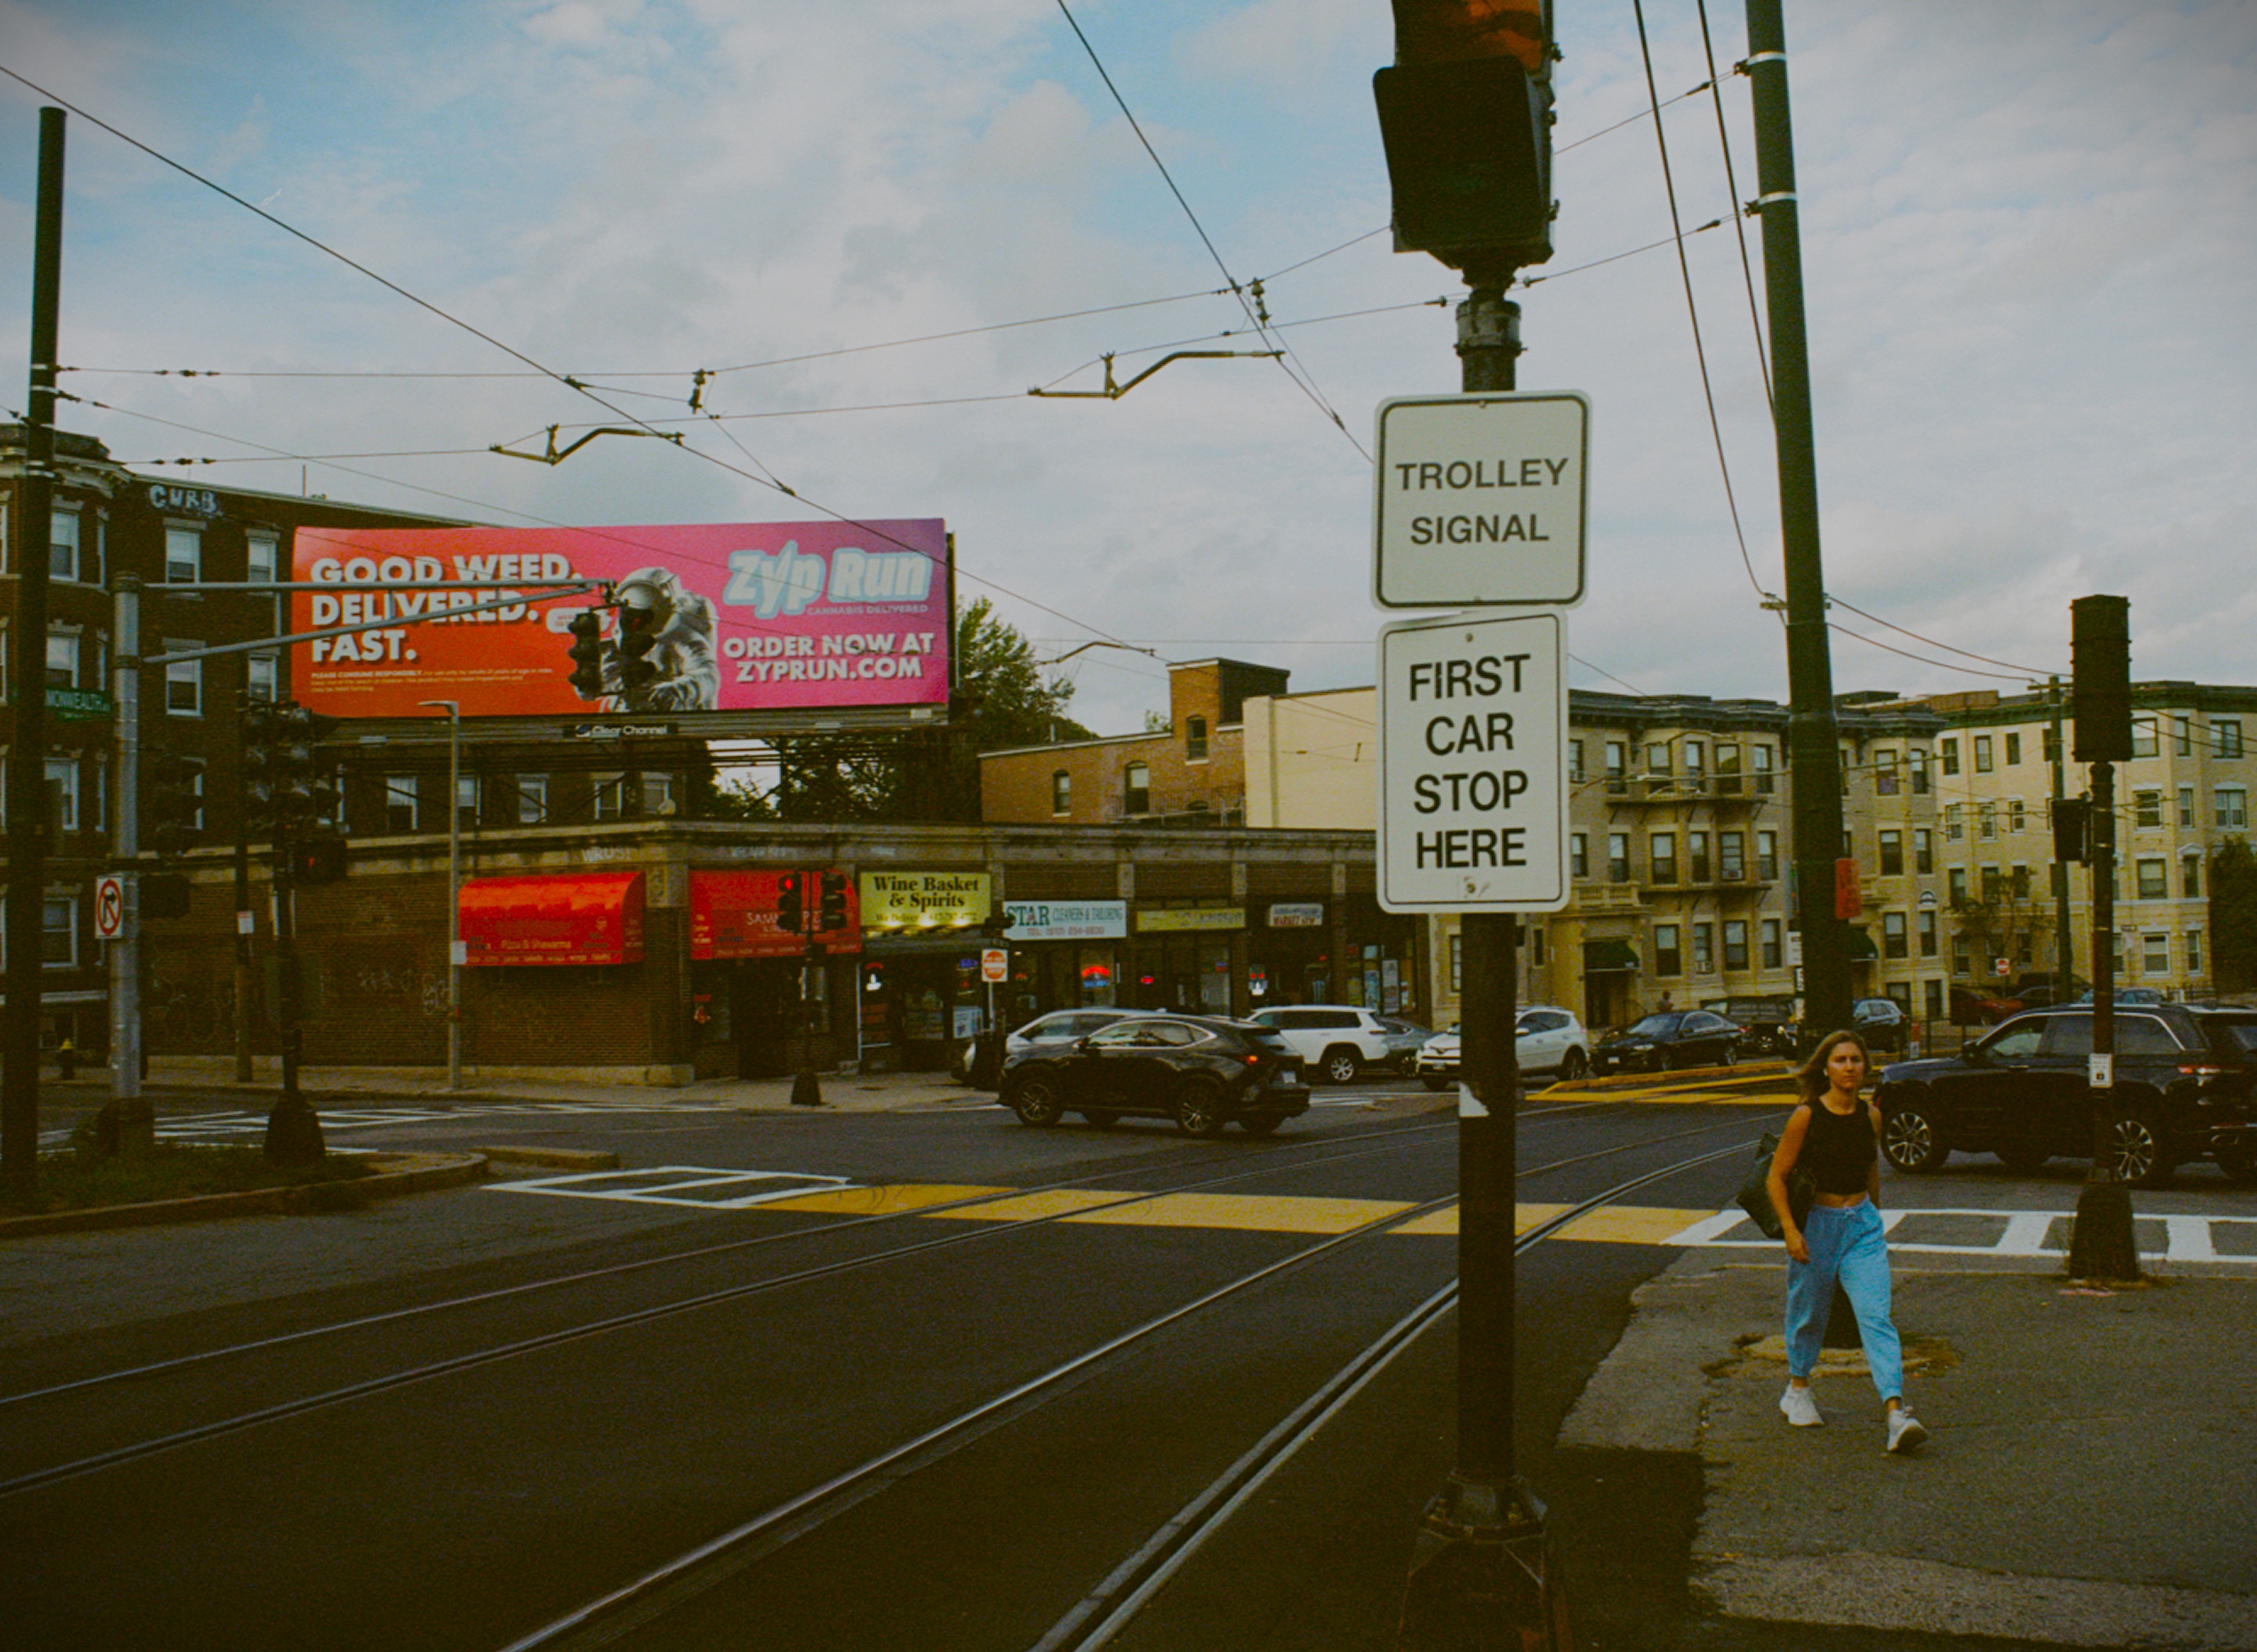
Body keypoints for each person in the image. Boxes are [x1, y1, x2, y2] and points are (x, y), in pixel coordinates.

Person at [1768, 1028, 1928, 1453]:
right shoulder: (1806, 1116)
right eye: (1840, 1060)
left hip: (1861, 1227)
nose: (1849, 1068)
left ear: (1865, 1068)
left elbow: (1870, 1172)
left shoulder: (1870, 1116)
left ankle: (1895, 1413)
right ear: (1826, 1068)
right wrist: (1790, 1230)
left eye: (1856, 1060)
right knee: (1808, 1313)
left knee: (1876, 1316)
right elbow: (1776, 1177)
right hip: (1816, 1226)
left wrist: (1874, 1219)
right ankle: (1798, 1388)